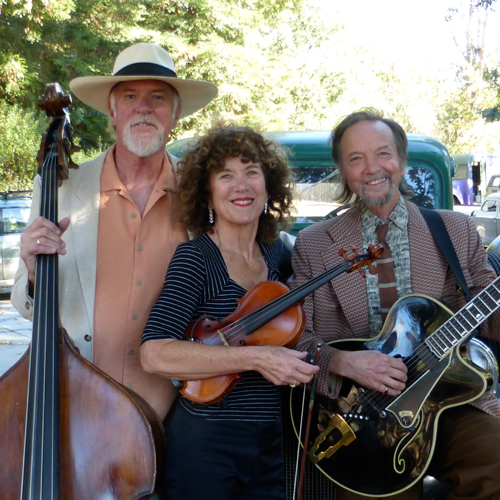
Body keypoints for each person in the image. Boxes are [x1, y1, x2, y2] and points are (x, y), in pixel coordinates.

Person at [291, 108, 500, 499]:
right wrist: (341, 362)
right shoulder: (316, 244)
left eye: (383, 153)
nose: (372, 168)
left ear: (401, 162)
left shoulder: (454, 230)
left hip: (449, 402)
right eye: (356, 158)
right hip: (360, 416)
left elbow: (491, 319)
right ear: (343, 172)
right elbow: (295, 339)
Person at [11, 42, 217, 421]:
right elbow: (25, 307)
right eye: (129, 96)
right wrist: (36, 270)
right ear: (112, 111)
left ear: (175, 114)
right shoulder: (59, 185)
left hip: (177, 410)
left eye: (157, 97)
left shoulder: (202, 190)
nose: (143, 107)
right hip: (78, 400)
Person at [140, 124, 319, 500]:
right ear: (208, 192)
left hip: (269, 441)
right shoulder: (196, 258)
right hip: (205, 444)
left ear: (268, 188)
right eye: (226, 176)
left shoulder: (278, 256)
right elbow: (154, 353)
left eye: (252, 172)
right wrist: (255, 357)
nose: (242, 185)